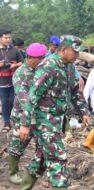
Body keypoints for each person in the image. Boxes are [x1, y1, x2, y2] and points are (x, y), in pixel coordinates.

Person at [20, 35, 90, 190]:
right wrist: (24, 124)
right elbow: (33, 95)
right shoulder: (48, 66)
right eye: (75, 52)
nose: (77, 55)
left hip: (58, 120)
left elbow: (75, 91)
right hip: (44, 119)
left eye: (79, 52)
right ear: (63, 49)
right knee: (58, 158)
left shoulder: (69, 67)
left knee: (40, 160)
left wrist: (84, 112)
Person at [8, 43, 47, 185]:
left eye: (44, 58)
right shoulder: (21, 73)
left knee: (42, 144)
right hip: (22, 116)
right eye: (41, 58)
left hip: (40, 116)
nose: (43, 61)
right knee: (18, 144)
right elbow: (24, 99)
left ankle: (35, 171)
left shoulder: (40, 71)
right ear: (31, 58)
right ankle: (12, 173)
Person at [0, 28, 24, 133]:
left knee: (13, 101)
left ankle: (15, 121)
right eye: (6, 37)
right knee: (5, 102)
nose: (8, 39)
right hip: (2, 81)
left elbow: (23, 63)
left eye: (9, 37)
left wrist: (15, 65)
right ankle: (6, 122)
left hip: (14, 81)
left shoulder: (15, 50)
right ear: (0, 38)